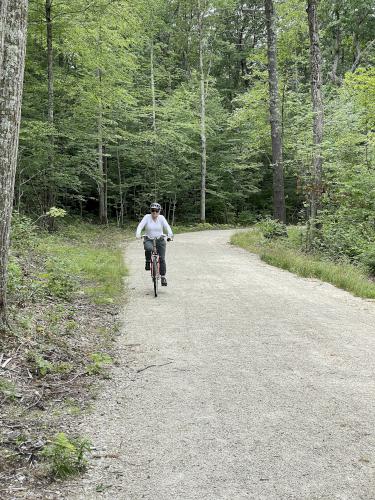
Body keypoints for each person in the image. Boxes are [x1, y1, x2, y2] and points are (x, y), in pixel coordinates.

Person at [136, 202, 173, 286]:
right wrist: (138, 234)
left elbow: (167, 227)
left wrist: (170, 235)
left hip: (160, 239)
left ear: (159, 211)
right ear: (150, 211)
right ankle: (148, 261)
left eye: (156, 211)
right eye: (153, 210)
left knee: (162, 258)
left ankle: (163, 276)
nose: (154, 213)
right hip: (149, 239)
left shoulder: (161, 218)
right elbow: (140, 226)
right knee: (149, 248)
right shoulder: (147, 217)